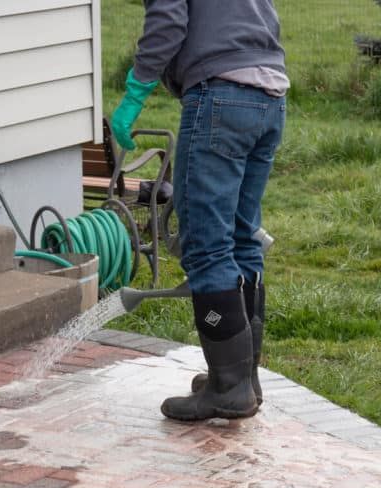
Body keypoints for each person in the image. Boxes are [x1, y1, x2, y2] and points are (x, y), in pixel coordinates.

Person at [111, 0, 289, 421]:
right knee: (243, 238)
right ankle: (243, 376)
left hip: (221, 97)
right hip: (270, 97)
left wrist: (137, 89)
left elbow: (168, 22)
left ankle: (228, 387)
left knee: (208, 244)